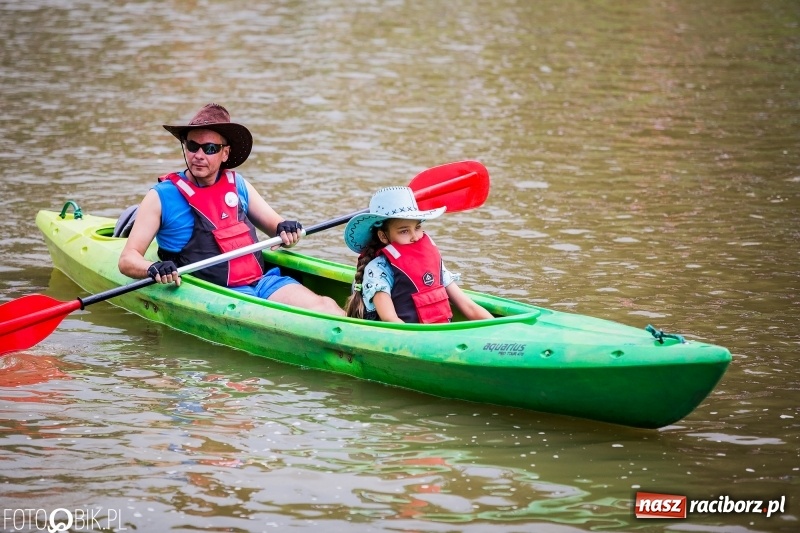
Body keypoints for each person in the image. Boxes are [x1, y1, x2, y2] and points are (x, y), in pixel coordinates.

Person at [118, 103, 344, 316]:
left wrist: (289, 231)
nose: (198, 155)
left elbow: (279, 229)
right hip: (216, 295)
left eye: (209, 148)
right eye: (192, 146)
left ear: (225, 153)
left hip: (262, 282)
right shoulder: (160, 197)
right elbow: (128, 259)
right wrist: (154, 268)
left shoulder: (238, 185)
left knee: (326, 306)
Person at [343, 186, 493, 323]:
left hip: (436, 334)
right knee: (326, 305)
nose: (415, 236)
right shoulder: (378, 269)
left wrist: (500, 328)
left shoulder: (430, 261)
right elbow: (390, 318)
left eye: (418, 227)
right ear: (383, 236)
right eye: (404, 231)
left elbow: (469, 307)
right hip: (403, 337)